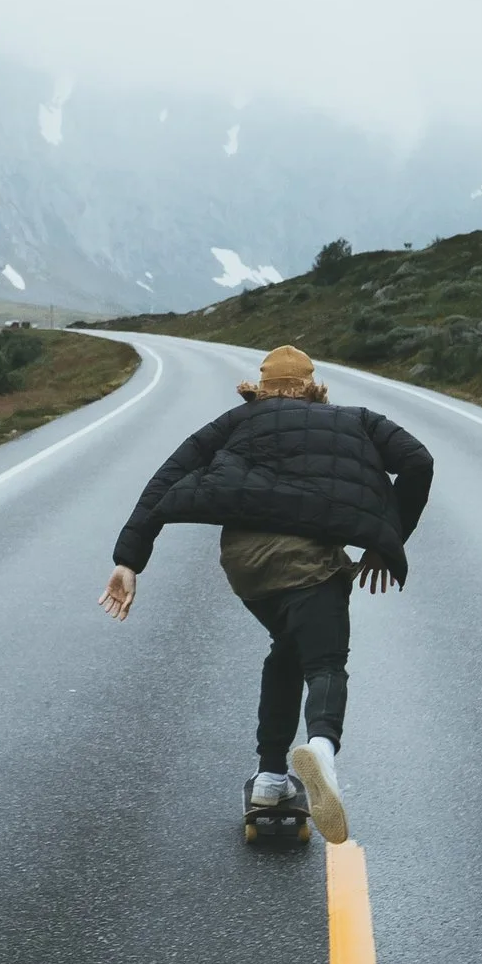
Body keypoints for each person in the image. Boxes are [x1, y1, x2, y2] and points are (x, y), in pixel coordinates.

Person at [98, 343, 434, 844]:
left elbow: (166, 477)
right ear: (315, 388)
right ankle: (321, 750)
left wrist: (128, 560)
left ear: (260, 388)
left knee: (288, 650)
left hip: (246, 566)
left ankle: (272, 780)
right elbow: (417, 461)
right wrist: (388, 542)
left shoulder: (237, 421)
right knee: (325, 663)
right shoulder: (359, 419)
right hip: (309, 565)